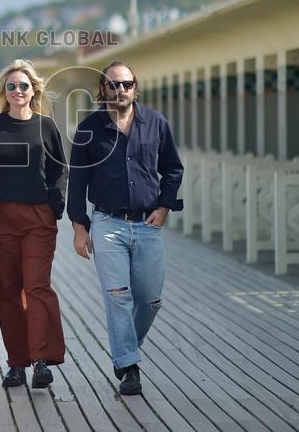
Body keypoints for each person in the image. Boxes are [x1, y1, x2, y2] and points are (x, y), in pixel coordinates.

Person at [67, 61, 183, 396]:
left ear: (135, 87)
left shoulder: (156, 124)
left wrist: (164, 206)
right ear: (102, 89)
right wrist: (79, 226)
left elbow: (173, 169)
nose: (121, 91)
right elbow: (77, 181)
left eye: (127, 84)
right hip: (107, 225)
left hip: (148, 224)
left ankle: (124, 349)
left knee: (149, 300)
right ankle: (129, 366)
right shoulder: (88, 129)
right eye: (113, 85)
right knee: (118, 297)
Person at [0, 59, 68, 389]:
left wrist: (54, 206)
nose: (18, 91)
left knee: (37, 287)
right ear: (4, 91)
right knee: (6, 292)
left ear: (34, 91)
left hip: (37, 219)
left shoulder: (46, 126)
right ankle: (17, 362)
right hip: (0, 219)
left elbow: (60, 170)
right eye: (11, 86)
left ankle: (42, 360)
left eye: (24, 86)